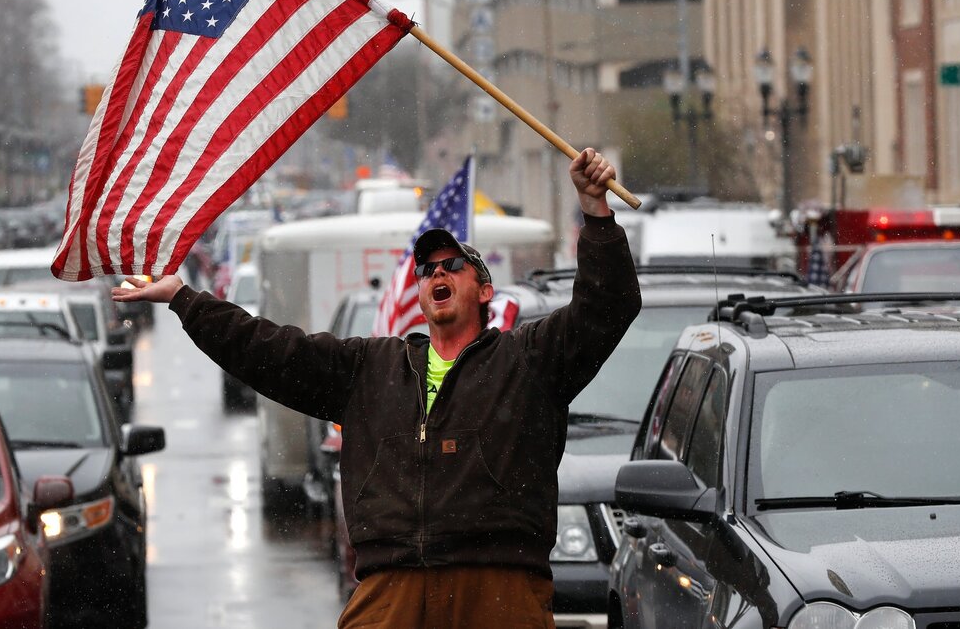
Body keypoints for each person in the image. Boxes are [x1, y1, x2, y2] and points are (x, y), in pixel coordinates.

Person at [113, 148, 641, 628]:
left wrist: (595, 212)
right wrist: (186, 299)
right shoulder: (372, 367)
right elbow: (268, 351)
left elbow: (607, 307)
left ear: (483, 290)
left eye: (452, 265)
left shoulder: (526, 360)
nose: (437, 272)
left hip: (499, 590)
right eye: (426, 269)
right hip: (390, 589)